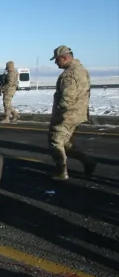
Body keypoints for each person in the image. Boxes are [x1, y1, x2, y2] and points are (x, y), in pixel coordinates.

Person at [48, 45, 96, 180]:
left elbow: (67, 98)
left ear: (64, 58)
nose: (56, 63)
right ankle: (88, 162)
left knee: (56, 141)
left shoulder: (69, 74)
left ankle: (61, 172)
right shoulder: (82, 70)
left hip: (67, 115)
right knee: (66, 142)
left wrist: (59, 115)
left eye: (57, 60)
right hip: (78, 112)